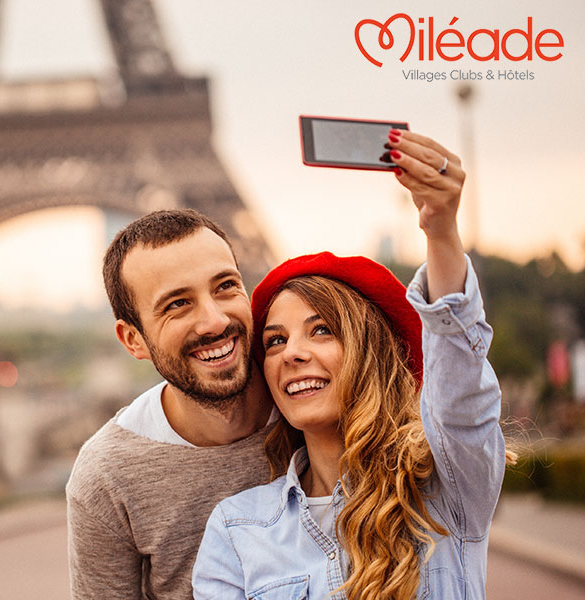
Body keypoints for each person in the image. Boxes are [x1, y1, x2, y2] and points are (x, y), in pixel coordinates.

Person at [193, 130, 513, 600]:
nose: (292, 353)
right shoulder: (236, 530)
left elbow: (461, 390)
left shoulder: (448, 486)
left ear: (370, 351)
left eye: (321, 329)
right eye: (274, 340)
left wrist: (441, 232)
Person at [66, 209, 276, 599]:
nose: (214, 321)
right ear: (134, 340)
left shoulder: (314, 406)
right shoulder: (105, 476)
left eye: (226, 286)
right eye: (178, 304)